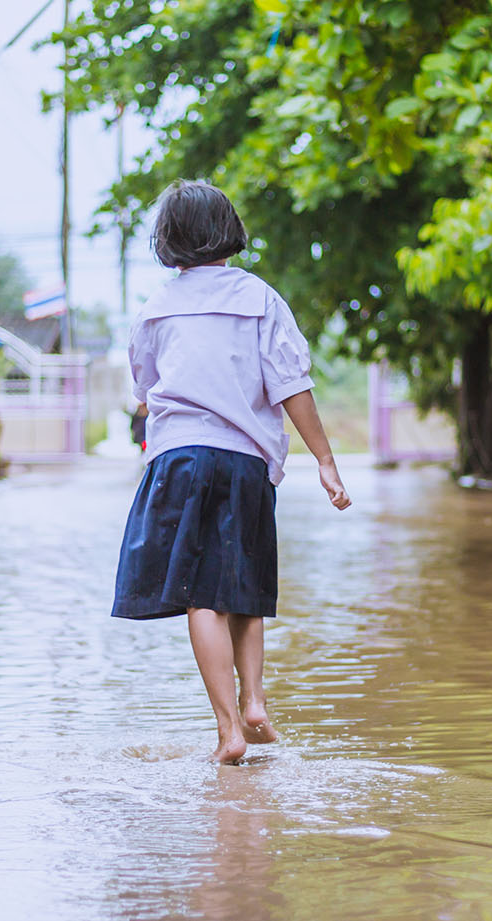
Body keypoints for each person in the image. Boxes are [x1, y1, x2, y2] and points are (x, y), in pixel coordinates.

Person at [112, 180, 351, 765]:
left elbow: (144, 384)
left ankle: (228, 731)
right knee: (244, 585)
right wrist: (324, 459)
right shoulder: (260, 299)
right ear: (229, 231)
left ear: (167, 239)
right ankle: (256, 701)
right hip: (248, 462)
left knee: (201, 597)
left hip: (181, 459)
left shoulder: (156, 307)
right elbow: (291, 385)